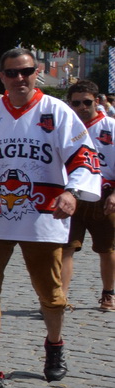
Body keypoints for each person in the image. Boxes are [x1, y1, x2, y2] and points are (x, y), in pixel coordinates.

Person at [0, 49, 100, 388]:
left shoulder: (57, 112)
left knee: (51, 294)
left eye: (25, 72)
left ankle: (54, 343)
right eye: (10, 73)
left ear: (36, 72)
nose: (19, 79)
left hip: (43, 217)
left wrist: (72, 192)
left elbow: (86, 158)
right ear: (1, 76)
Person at [63, 80, 115, 312]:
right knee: (66, 249)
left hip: (105, 197)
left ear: (97, 101)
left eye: (87, 102)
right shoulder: (64, 127)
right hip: (72, 196)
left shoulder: (111, 127)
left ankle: (108, 294)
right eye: (76, 103)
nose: (82, 107)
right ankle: (59, 298)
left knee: (107, 249)